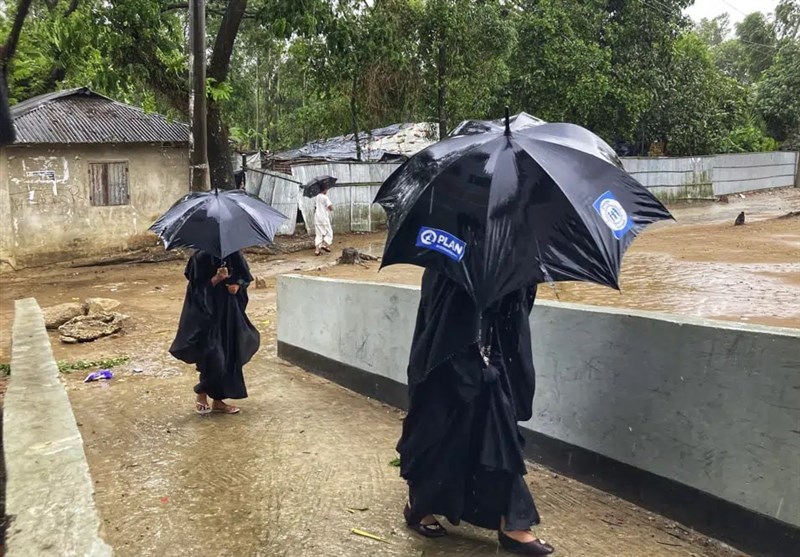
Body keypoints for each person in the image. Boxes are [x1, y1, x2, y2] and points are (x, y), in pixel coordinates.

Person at [396, 269, 554, 556]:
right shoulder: (452, 250)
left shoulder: (512, 248)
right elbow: (442, 315)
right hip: (450, 360)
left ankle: (511, 521)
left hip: (493, 359)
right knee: (441, 432)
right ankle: (419, 505)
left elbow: (516, 311)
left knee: (494, 435)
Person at [169, 250, 260, 415]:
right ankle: (201, 394)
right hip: (207, 317)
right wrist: (216, 279)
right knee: (213, 356)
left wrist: (237, 286)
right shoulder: (199, 257)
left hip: (229, 315)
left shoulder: (234, 255)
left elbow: (245, 277)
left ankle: (218, 401)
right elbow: (195, 290)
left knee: (230, 356)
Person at [314, 185, 334, 256]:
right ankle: (324, 244)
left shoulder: (317, 197)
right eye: (327, 189)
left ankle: (317, 250)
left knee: (318, 234)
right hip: (324, 218)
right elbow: (331, 207)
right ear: (324, 189)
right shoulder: (325, 197)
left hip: (317, 217)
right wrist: (331, 208)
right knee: (329, 232)